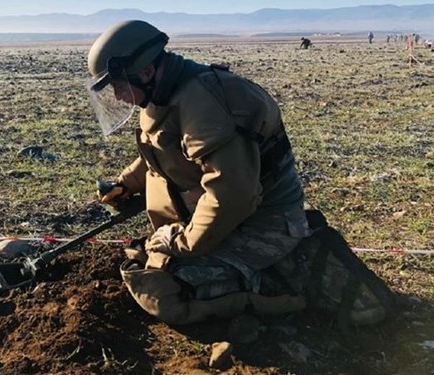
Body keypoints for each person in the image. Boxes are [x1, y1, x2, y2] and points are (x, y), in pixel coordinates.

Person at [86, 20, 393, 326]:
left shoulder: (206, 105)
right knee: (148, 261)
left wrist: (181, 244)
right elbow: (163, 152)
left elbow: (231, 195)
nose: (118, 96)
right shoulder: (166, 96)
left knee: (164, 290)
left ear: (147, 72)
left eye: (119, 85)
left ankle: (284, 293)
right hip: (227, 218)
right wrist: (125, 184)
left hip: (265, 222)